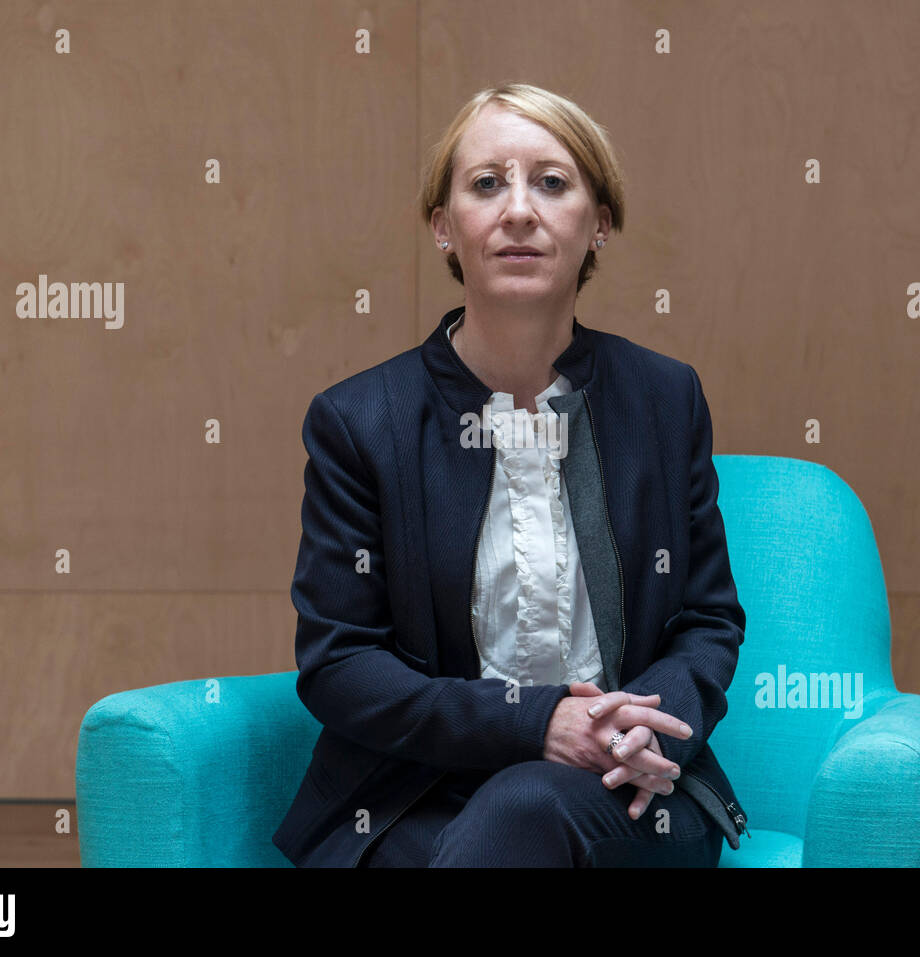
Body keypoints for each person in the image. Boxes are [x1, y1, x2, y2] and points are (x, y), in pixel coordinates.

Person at [271, 82, 749, 867]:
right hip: (416, 795)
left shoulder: (665, 398)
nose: (518, 209)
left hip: (623, 795)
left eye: (552, 182)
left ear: (599, 224)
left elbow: (706, 620)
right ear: (443, 227)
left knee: (524, 809)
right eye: (486, 183)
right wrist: (534, 723)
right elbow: (341, 664)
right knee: (499, 824)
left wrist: (641, 726)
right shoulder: (360, 420)